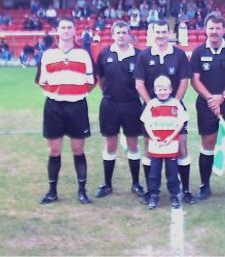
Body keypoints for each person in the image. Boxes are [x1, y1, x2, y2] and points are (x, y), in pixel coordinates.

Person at [134, 20, 196, 205]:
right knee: (149, 148)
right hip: (152, 112)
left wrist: (174, 104)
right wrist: (152, 105)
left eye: (163, 32)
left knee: (181, 148)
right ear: (153, 33)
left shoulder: (179, 54)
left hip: (175, 110)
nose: (160, 36)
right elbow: (139, 84)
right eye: (157, 32)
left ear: (169, 33)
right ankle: (152, 191)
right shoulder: (144, 55)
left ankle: (184, 190)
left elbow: (184, 81)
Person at [35, 17, 96, 204]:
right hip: (54, 107)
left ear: (74, 31)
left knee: (78, 149)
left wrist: (76, 93)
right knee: (54, 151)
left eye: (70, 27)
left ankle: (82, 191)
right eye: (63, 27)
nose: (66, 30)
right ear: (57, 31)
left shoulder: (84, 54)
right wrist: (56, 94)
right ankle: (52, 191)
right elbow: (41, 81)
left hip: (77, 106)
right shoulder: (47, 54)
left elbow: (91, 82)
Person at [190, 12, 225, 200]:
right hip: (206, 105)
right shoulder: (198, 52)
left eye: (217, 28)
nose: (214, 32)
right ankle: (204, 185)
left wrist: (221, 97)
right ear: (206, 30)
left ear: (224, 30)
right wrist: (210, 99)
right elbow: (195, 80)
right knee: (207, 144)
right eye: (211, 28)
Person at [94, 21, 145, 199]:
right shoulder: (104, 54)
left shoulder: (138, 55)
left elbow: (143, 80)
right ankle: (107, 184)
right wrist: (108, 92)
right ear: (113, 35)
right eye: (118, 32)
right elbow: (99, 77)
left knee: (133, 145)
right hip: (110, 105)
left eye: (124, 32)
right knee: (110, 145)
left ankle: (136, 184)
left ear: (129, 35)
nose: (121, 35)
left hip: (132, 104)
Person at [140, 75, 188, 209]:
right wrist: (154, 138)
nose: (162, 92)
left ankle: (174, 195)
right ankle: (154, 195)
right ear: (155, 91)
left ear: (171, 89)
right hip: (155, 146)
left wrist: (171, 137)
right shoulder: (151, 105)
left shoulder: (175, 104)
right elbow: (147, 124)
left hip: (171, 146)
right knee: (154, 173)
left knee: (172, 173)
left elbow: (181, 123)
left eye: (165, 89)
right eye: (159, 90)